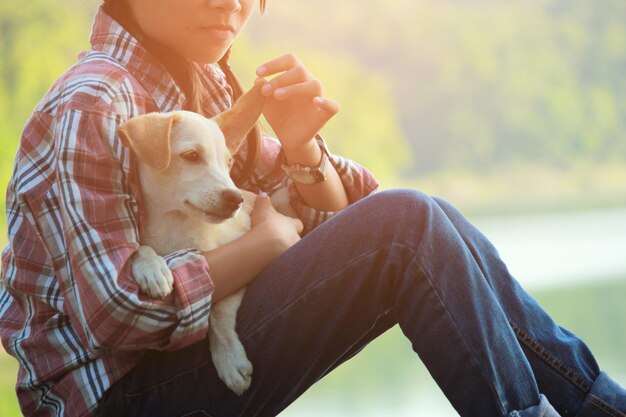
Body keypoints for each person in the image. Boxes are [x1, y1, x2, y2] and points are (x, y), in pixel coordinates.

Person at [0, 0, 624, 416]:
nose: (231, 2)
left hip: (191, 359)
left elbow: (356, 212)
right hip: (118, 397)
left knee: (430, 219)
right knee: (407, 225)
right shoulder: (93, 105)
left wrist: (303, 149)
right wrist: (262, 246)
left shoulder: (201, 85)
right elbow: (119, 311)